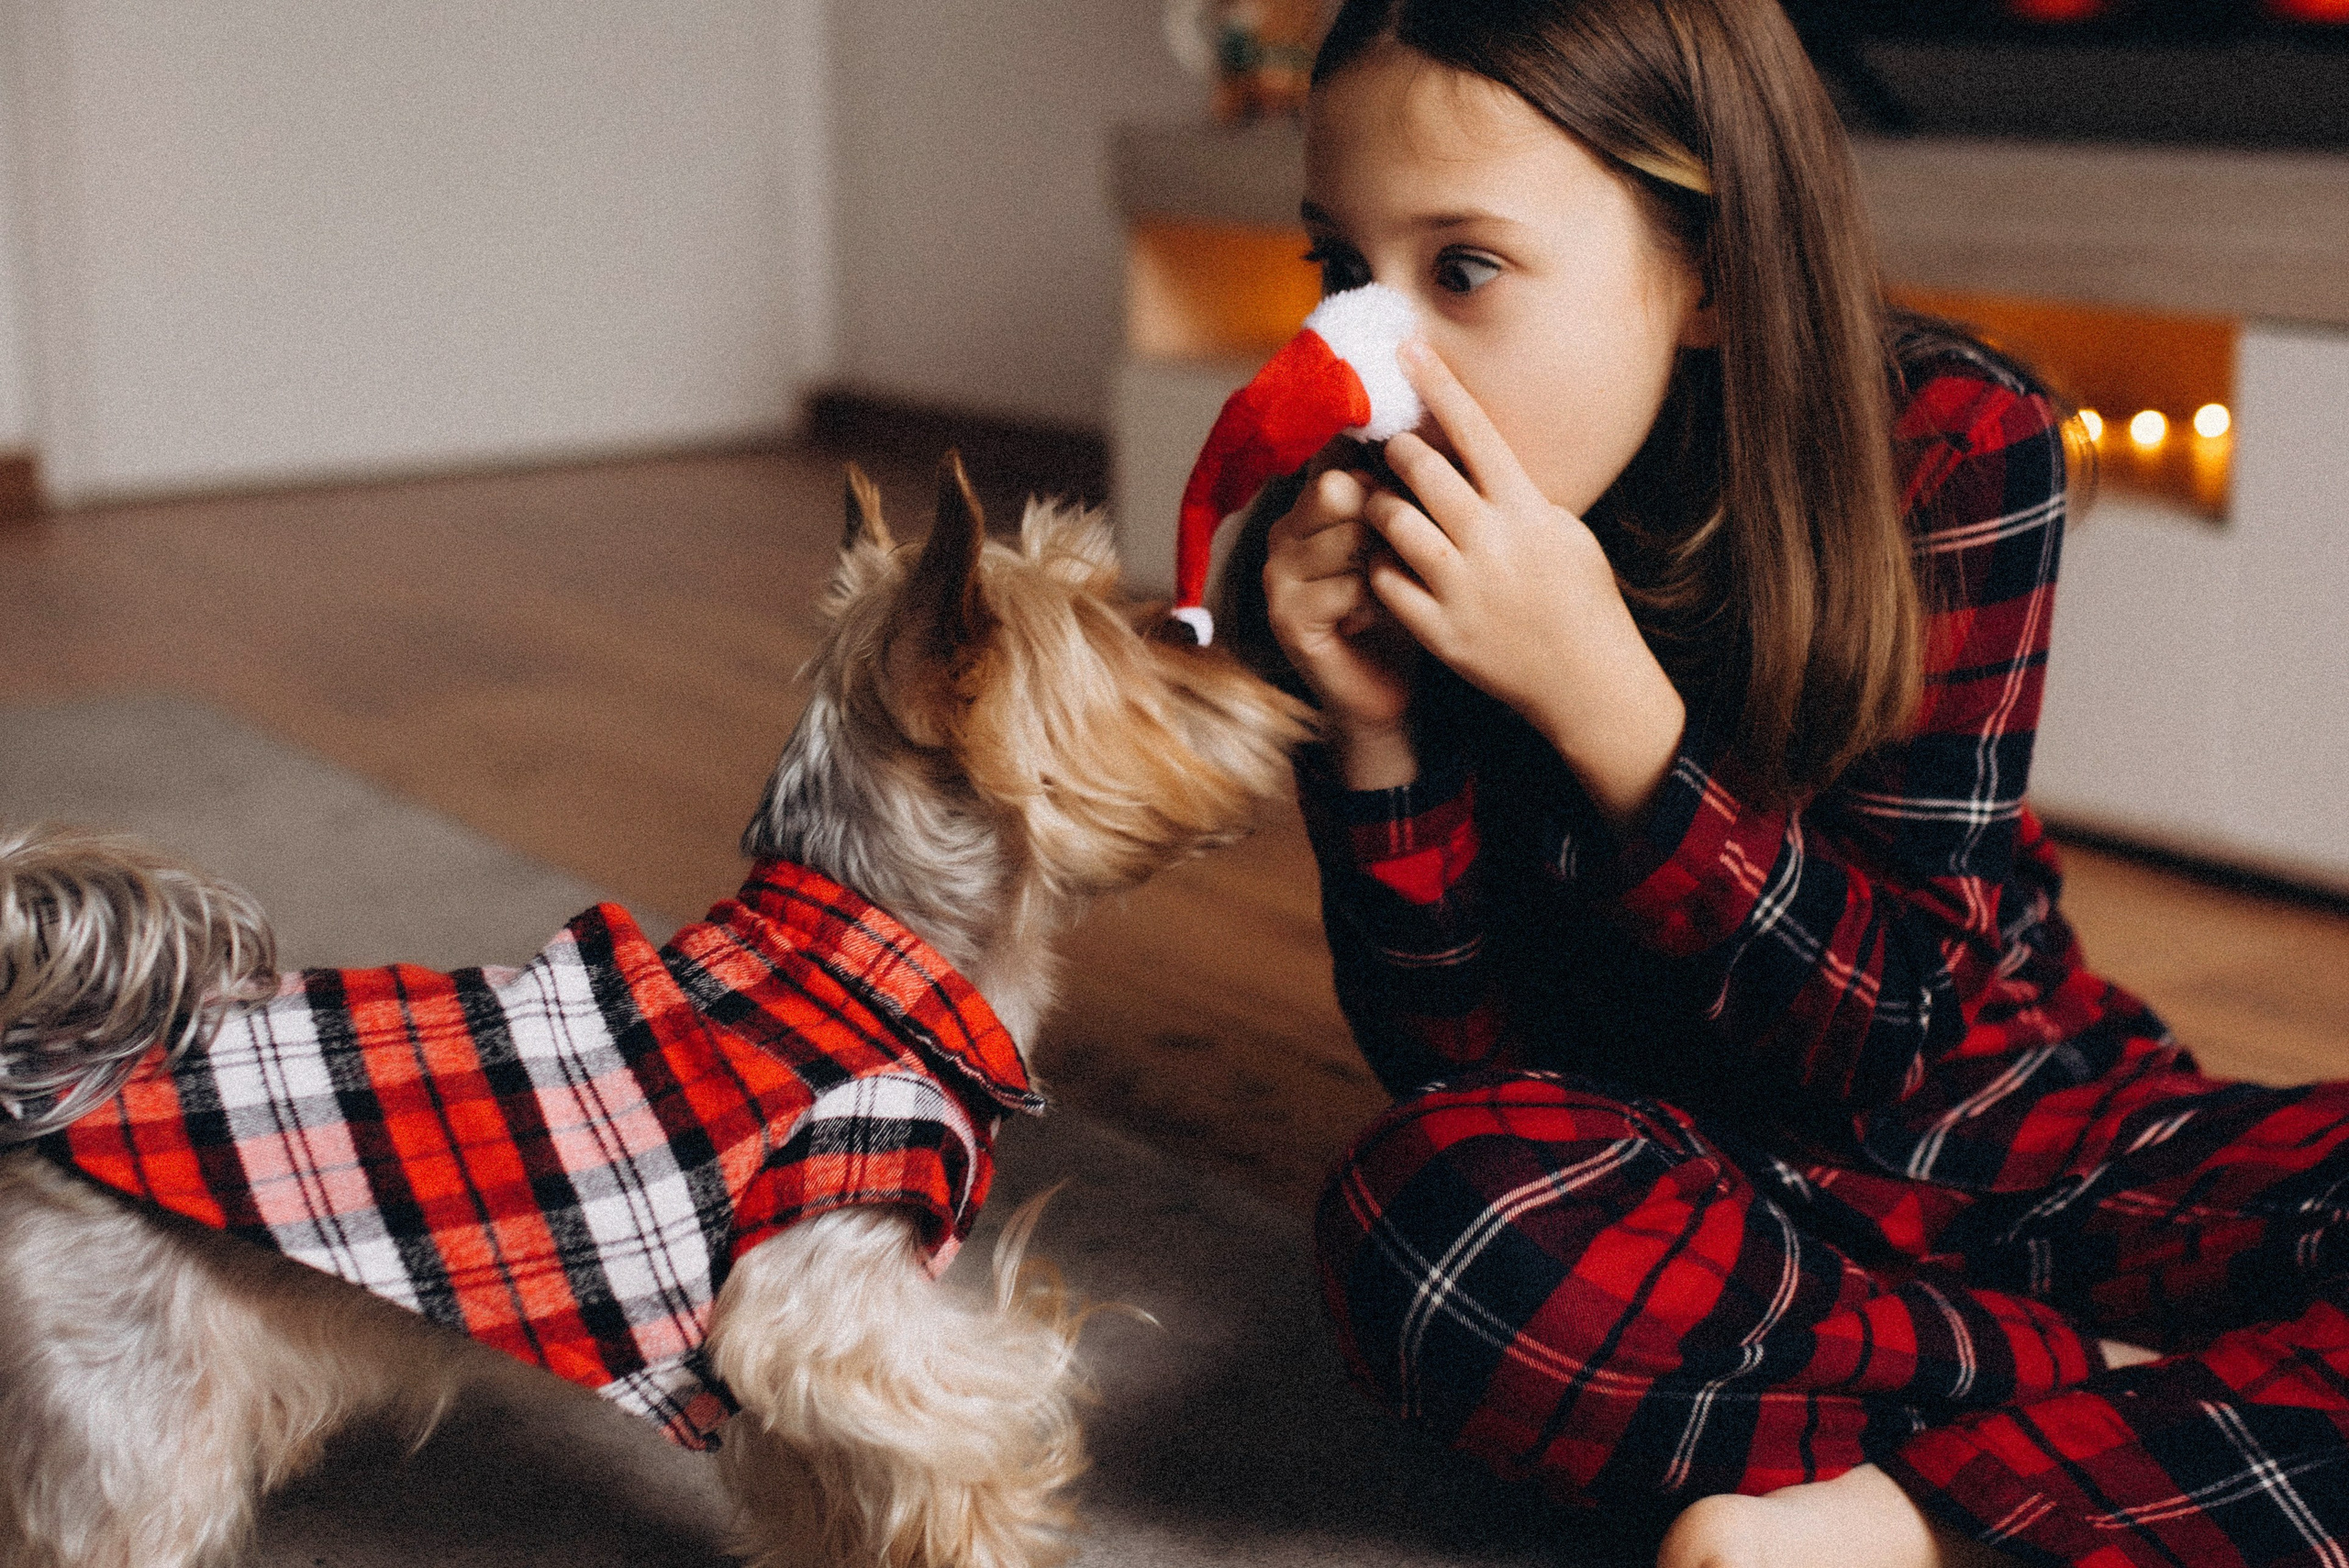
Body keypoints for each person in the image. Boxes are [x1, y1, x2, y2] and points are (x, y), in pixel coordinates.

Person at [1221, 3, 2349, 1565]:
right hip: (1688, 1207)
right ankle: (2132, 1415)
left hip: (2010, 1124)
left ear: (1711, 272)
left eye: (1462, 270)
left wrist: (1609, 704)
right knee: (1434, 1232)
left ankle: (1901, 1526)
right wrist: (1376, 741)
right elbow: (1458, 1074)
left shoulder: (1952, 446)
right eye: (1342, 272)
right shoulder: (1394, 547)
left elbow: (1895, 1037)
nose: (1365, 359)